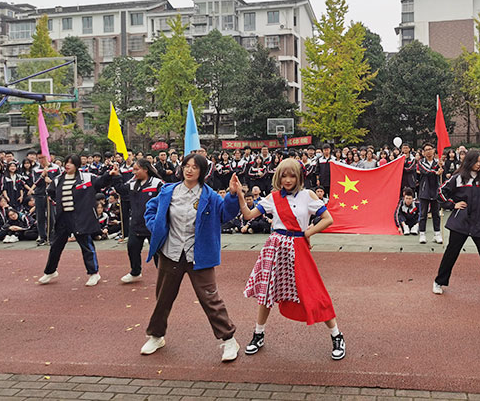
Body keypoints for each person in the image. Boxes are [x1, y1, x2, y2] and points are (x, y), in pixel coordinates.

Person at [236, 158, 345, 360]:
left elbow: (328, 219)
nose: (287, 179)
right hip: (275, 247)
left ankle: (337, 335)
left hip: (298, 249)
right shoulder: (273, 197)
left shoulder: (308, 196)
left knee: (314, 291)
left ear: (299, 176)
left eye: (292, 175)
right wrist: (241, 195)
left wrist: (308, 232)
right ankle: (258, 334)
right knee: (267, 292)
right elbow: (249, 214)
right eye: (284, 175)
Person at [139, 153, 241, 362]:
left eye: (195, 167)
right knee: (164, 297)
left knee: (210, 299)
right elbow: (151, 209)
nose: (189, 170)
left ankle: (229, 340)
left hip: (199, 255)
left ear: (202, 171)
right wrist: (155, 227)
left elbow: (226, 214)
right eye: (186, 165)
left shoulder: (210, 196)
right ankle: (156, 335)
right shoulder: (169, 191)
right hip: (171, 252)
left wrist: (232, 195)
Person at [38, 155, 115, 287]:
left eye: (71, 163)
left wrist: (110, 174)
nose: (67, 165)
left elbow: (101, 182)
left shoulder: (87, 177)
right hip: (63, 218)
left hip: (80, 217)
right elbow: (50, 192)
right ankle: (50, 271)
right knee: (56, 245)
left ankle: (94, 273)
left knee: (86, 245)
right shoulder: (58, 180)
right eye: (66, 163)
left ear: (77, 165)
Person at [433, 150, 480, 296]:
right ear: (469, 161)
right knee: (452, 253)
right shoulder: (457, 178)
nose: (479, 164)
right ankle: (439, 282)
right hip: (460, 222)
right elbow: (440, 192)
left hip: (479, 222)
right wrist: (453, 205)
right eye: (476, 161)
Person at [112, 159, 163, 283]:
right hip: (136, 223)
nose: (134, 172)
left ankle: (163, 274)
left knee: (158, 252)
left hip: (153, 225)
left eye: (136, 169)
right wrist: (117, 176)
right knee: (132, 248)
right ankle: (135, 272)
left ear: (145, 169)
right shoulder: (132, 183)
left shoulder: (157, 183)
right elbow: (120, 189)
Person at [416, 143, 443, 244]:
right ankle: (422, 234)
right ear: (423, 152)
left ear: (434, 150)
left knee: (436, 214)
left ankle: (437, 234)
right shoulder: (420, 162)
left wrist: (441, 170)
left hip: (435, 190)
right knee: (423, 214)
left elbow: (441, 173)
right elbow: (425, 171)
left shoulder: (438, 162)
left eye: (430, 149)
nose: (428, 151)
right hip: (425, 190)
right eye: (426, 150)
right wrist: (435, 172)